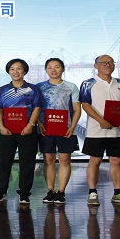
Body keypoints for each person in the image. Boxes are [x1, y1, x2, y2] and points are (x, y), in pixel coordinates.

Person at [79, 55, 120, 207]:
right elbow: (85, 105)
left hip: (118, 130)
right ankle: (92, 192)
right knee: (95, 160)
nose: (107, 65)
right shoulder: (88, 83)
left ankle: (118, 193)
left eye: (110, 63)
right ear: (95, 66)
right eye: (103, 63)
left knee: (116, 161)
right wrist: (101, 120)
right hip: (96, 130)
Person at [0, 59, 44, 205]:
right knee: (3, 162)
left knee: (27, 163)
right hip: (7, 131)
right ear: (8, 72)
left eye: (19, 68)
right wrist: (1, 127)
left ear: (24, 71)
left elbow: (37, 108)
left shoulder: (33, 89)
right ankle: (1, 191)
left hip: (27, 131)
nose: (16, 72)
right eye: (12, 69)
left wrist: (30, 125)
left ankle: (24, 193)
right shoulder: (3, 90)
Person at [36, 58, 81, 204]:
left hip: (66, 129)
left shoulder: (71, 87)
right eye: (49, 67)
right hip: (45, 129)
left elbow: (77, 109)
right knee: (48, 160)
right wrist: (39, 123)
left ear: (63, 69)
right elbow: (35, 108)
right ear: (46, 70)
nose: (53, 70)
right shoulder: (39, 87)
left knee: (64, 159)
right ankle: (50, 191)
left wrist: (72, 127)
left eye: (57, 66)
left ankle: (61, 192)